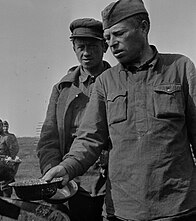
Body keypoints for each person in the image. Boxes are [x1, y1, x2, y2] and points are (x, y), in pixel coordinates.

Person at [43, 0, 196, 220]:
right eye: (107, 38)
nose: (112, 44)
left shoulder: (180, 68)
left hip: (179, 209)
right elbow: (89, 139)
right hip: (122, 212)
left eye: (119, 34)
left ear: (144, 27)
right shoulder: (106, 82)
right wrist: (67, 168)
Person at [37, 18, 110, 221]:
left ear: (105, 46)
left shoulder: (119, 81)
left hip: (113, 183)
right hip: (73, 182)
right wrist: (54, 174)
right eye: (81, 47)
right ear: (73, 48)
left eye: (93, 46)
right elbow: (49, 138)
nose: (86, 52)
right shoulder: (63, 89)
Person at [0, 118, 19, 197]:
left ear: (2, 126)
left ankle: (7, 205)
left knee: (5, 187)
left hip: (6, 165)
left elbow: (14, 149)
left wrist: (9, 159)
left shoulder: (7, 137)